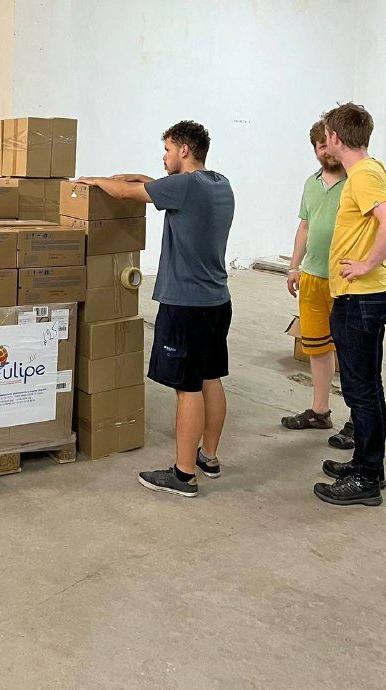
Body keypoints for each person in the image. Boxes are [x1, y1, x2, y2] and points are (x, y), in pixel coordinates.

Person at [78, 120, 235, 498]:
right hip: (217, 302)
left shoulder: (184, 187)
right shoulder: (218, 184)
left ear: (184, 149)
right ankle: (208, 458)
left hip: (185, 305)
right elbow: (160, 186)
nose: (163, 157)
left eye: (167, 150)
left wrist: (96, 181)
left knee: (187, 388)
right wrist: (137, 177)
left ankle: (183, 475)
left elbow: (127, 193)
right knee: (211, 378)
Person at [313, 103, 386, 507]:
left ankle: (367, 476)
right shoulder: (374, 169)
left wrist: (368, 261)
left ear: (335, 137)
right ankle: (366, 464)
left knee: (361, 390)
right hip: (369, 295)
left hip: (361, 298)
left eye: (326, 136)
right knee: (368, 385)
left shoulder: (364, 175)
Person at [282, 120, 354, 446]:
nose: (326, 151)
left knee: (351, 353)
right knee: (318, 348)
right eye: (320, 146)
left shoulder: (356, 181)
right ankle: (320, 411)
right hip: (312, 278)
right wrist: (294, 267)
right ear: (315, 150)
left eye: (330, 144)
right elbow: (305, 227)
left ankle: (357, 419)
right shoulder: (311, 184)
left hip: (346, 282)